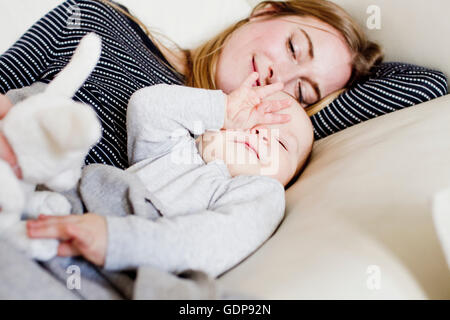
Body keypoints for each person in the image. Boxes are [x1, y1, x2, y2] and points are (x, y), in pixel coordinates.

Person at [0, 0, 446, 177]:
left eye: (304, 91)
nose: (280, 80)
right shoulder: (100, 24)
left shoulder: (249, 149)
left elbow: (428, 86)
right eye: (294, 46)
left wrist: (294, 117)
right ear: (266, 10)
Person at [24, 76, 314, 278]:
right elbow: (146, 106)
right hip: (61, 200)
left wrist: (116, 241)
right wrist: (222, 109)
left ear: (289, 180)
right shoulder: (175, 148)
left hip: (118, 259)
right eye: (253, 118)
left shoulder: (260, 192)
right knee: (36, 99)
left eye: (282, 144)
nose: (262, 132)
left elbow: (208, 242)